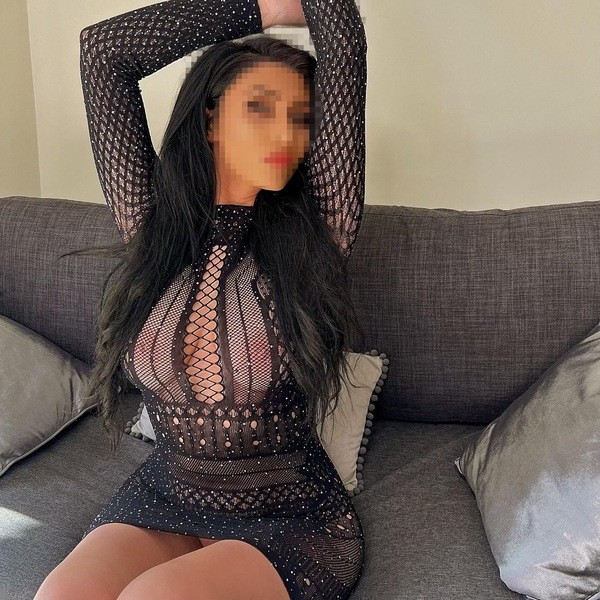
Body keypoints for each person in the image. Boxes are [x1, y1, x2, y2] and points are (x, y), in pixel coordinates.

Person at [34, 0, 367, 598]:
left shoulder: (320, 229)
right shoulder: (154, 226)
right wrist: (267, 10)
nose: (284, 134)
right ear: (210, 118)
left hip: (287, 516)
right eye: (259, 107)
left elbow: (342, 38)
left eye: (301, 118)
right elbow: (103, 54)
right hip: (169, 494)